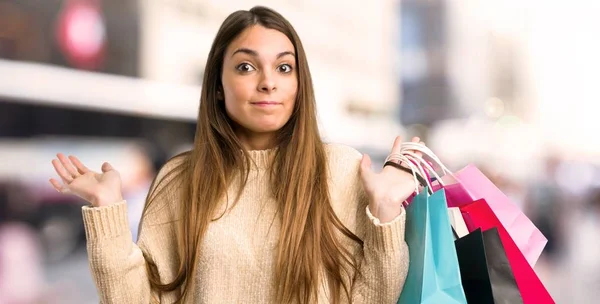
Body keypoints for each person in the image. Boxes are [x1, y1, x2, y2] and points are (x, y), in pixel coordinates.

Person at [49, 6, 422, 303]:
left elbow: (375, 296)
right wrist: (108, 208)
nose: (268, 81)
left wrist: (386, 210)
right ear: (217, 86)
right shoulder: (181, 179)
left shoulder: (343, 170)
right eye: (246, 66)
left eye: (284, 67)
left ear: (299, 83)